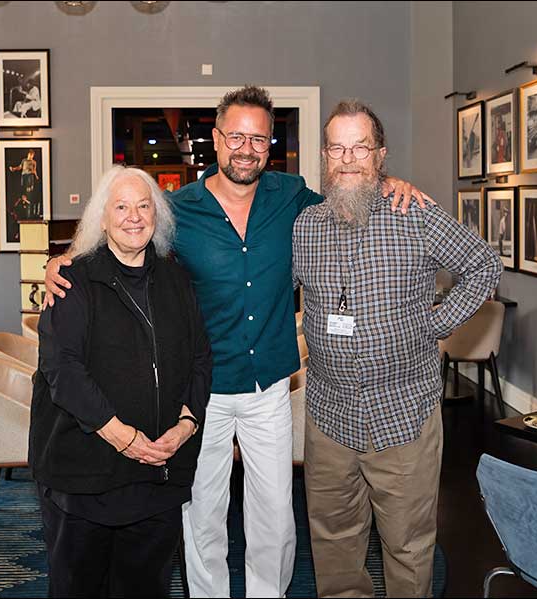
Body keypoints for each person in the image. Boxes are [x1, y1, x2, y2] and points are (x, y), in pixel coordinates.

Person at [44, 85, 431, 598]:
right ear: (217, 138)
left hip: (269, 384)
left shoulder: (293, 197)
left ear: (270, 146)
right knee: (202, 509)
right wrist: (62, 259)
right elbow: (121, 237)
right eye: (236, 136)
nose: (246, 148)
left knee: (273, 511)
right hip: (199, 392)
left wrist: (386, 180)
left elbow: (350, 194)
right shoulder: (177, 211)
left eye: (259, 139)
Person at [293, 99, 502, 598]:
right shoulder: (305, 227)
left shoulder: (417, 214)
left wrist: (434, 325)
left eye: (359, 147)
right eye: (336, 148)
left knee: (408, 547)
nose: (347, 159)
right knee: (334, 544)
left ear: (380, 155)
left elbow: (484, 265)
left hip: (403, 412)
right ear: (324, 157)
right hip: (329, 417)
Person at [30, 165, 213, 597]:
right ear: (103, 219)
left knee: (145, 587)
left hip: (157, 475)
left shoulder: (176, 279)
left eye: (144, 206)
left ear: (158, 215)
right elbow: (63, 371)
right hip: (86, 475)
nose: (134, 216)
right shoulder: (72, 280)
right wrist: (124, 437)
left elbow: (201, 358)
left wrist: (187, 424)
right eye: (122, 207)